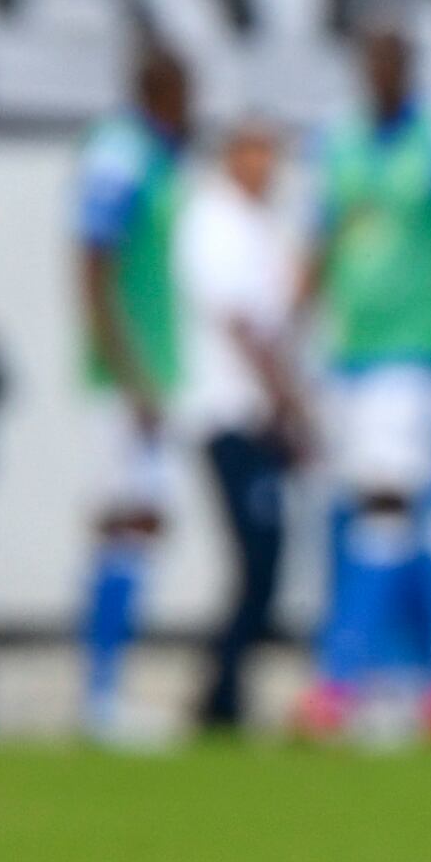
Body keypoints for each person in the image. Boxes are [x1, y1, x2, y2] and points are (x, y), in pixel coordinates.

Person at [298, 20, 431, 744]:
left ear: (409, 66)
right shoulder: (337, 143)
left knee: (386, 505)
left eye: (393, 59)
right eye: (372, 59)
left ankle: (338, 679)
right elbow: (320, 240)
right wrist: (293, 329)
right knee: (395, 516)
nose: (381, 72)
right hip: (348, 353)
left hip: (417, 353)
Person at [74, 37, 194, 746]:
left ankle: (107, 685)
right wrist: (130, 374)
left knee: (136, 522)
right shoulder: (119, 156)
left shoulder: (152, 155)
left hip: (150, 371)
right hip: (128, 378)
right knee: (126, 521)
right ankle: (101, 692)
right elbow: (92, 266)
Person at [175, 110, 307, 739]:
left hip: (257, 415)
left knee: (264, 558)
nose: (265, 167)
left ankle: (225, 689)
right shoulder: (216, 220)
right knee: (257, 553)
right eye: (254, 152)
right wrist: (288, 401)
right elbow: (240, 324)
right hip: (228, 410)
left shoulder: (260, 225)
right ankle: (221, 691)